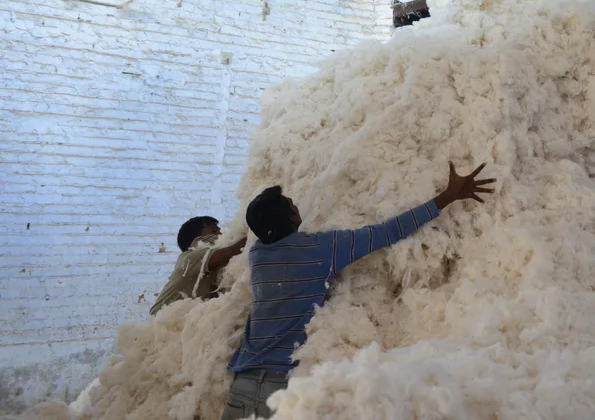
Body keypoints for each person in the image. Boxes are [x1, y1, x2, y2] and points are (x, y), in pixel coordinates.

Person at [220, 163, 495, 420]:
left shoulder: (257, 255)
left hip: (242, 382)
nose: (296, 203)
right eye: (292, 203)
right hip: (285, 389)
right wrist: (446, 197)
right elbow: (387, 232)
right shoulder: (321, 249)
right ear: (292, 217)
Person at [150, 216, 247, 316]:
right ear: (196, 238)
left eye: (220, 232)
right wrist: (253, 235)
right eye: (214, 231)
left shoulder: (217, 269)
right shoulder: (189, 257)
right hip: (161, 323)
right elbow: (230, 252)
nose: (220, 235)